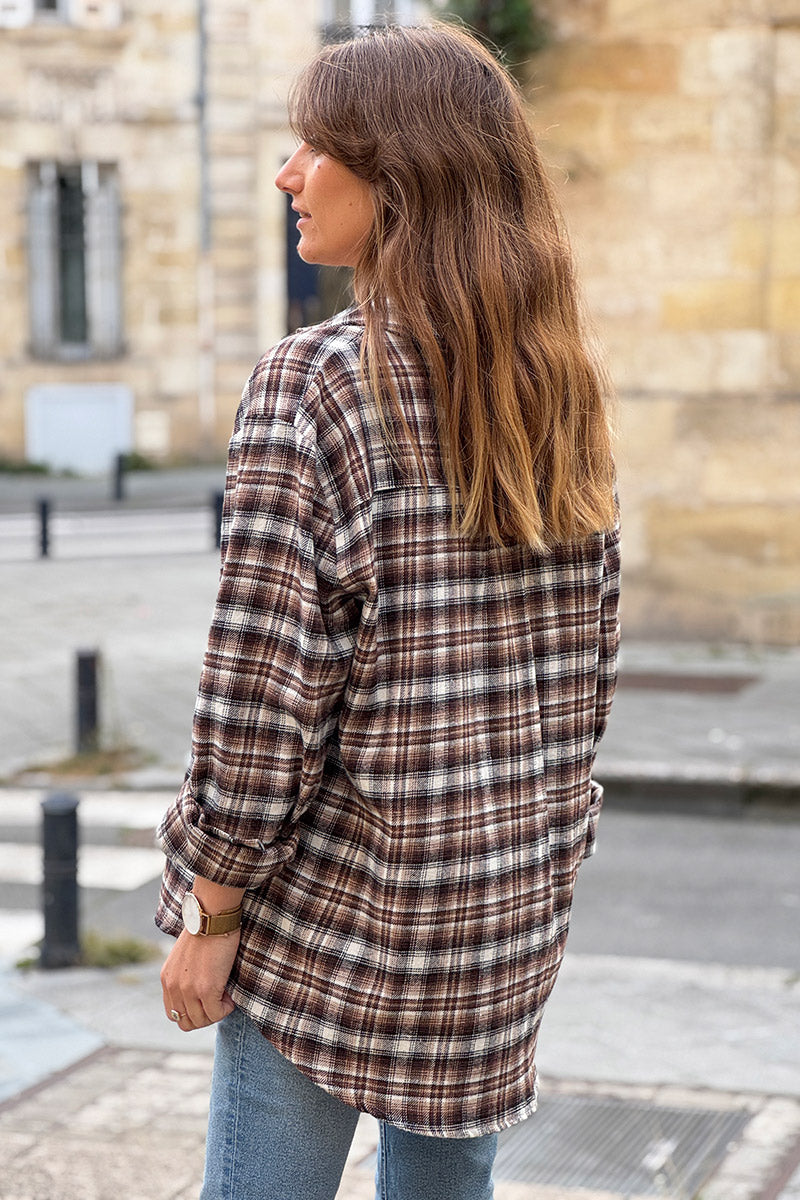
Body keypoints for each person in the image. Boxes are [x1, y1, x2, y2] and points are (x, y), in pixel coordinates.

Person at [156, 21, 620, 1200]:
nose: (286, 172)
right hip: (502, 912)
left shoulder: (318, 385)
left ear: (399, 172)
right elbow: (586, 671)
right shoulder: (557, 385)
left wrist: (212, 908)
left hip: (335, 919)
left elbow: (261, 698)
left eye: (316, 145)